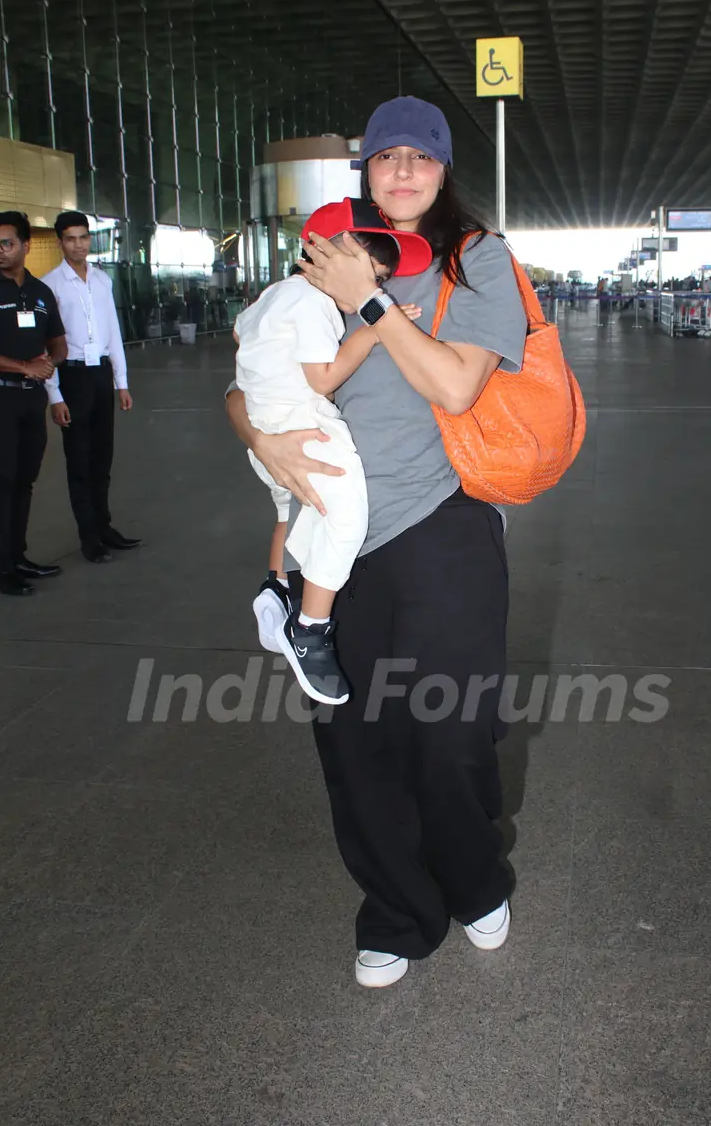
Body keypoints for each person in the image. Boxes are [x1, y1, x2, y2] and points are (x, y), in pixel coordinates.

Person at [226, 95, 527, 989]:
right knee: (355, 743)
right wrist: (258, 436)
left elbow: (456, 386)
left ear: (442, 171)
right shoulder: (325, 253)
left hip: (444, 525)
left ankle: (475, 883)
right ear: (366, 172)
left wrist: (370, 303)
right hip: (332, 539)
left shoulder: (476, 260)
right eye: (386, 155)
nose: (402, 170)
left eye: (420, 157)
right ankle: (396, 910)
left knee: (452, 735)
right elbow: (251, 377)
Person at [237, 198, 431, 705]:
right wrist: (371, 331)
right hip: (302, 423)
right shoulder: (314, 303)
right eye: (371, 274)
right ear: (326, 255)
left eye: (381, 281)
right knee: (346, 516)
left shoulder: (276, 295)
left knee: (291, 505)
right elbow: (323, 378)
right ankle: (311, 628)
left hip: (263, 423)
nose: (375, 289)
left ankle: (277, 586)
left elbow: (241, 333)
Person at [42, 211, 140, 563]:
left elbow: (112, 330)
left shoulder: (101, 281)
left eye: (83, 237)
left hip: (100, 376)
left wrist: (121, 382)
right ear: (60, 242)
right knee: (79, 461)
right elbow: (47, 344)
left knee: (102, 458)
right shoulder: (50, 285)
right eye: (70, 238)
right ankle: (89, 538)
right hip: (71, 377)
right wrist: (55, 395)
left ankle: (104, 527)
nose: (78, 245)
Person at [0, 211, 67, 596]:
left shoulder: (40, 293)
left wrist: (46, 365)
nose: (0, 251)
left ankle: (18, 556)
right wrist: (24, 366)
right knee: (3, 481)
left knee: (24, 481)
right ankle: (2, 566)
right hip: (2, 397)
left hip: (31, 401)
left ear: (26, 246)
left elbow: (58, 341)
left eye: (7, 243)